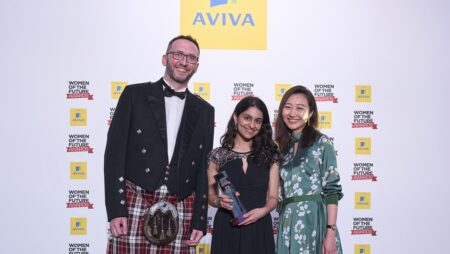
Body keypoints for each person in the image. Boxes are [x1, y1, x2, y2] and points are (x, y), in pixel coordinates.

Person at [104, 35, 214, 253]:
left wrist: (200, 220)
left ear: (197, 66)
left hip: (182, 204)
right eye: (178, 54)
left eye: (191, 57)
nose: (184, 61)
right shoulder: (134, 95)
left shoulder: (204, 111)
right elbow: (114, 155)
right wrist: (116, 208)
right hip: (135, 198)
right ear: (165, 59)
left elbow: (203, 168)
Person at [275, 86, 343, 254]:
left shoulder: (322, 143)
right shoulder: (281, 149)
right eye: (288, 106)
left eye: (300, 108)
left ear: (310, 113)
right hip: (287, 225)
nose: (292, 113)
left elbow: (332, 191)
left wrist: (330, 233)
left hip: (314, 221)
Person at [207, 96, 280, 254]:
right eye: (247, 118)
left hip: (260, 225)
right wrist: (219, 201)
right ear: (235, 117)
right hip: (227, 226)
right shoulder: (217, 155)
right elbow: (210, 195)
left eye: (258, 121)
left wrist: (264, 210)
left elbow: (273, 197)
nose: (252, 125)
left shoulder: (270, 155)